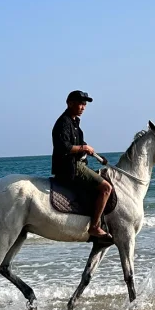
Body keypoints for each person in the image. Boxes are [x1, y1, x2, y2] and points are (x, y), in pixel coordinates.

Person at [51, 91, 111, 241]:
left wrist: (87, 149)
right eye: (80, 103)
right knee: (106, 188)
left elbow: (77, 143)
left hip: (77, 163)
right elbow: (63, 147)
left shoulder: (74, 122)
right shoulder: (63, 122)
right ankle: (95, 227)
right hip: (70, 167)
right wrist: (83, 149)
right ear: (70, 103)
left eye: (85, 104)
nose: (83, 107)